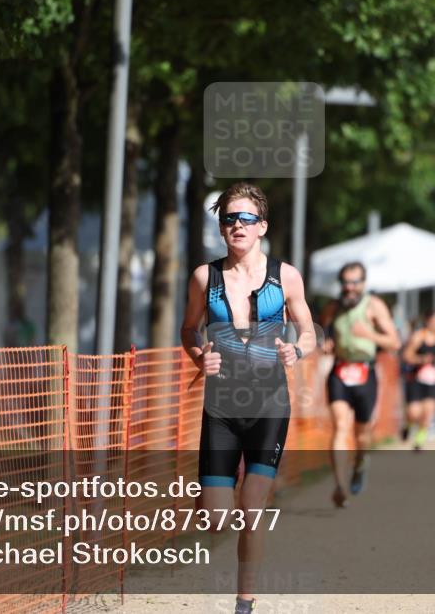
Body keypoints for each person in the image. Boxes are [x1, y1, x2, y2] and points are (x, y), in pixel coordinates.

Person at [181, 182, 316, 614]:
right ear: (221, 229)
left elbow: (310, 332)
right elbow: (188, 329)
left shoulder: (286, 276)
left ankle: (244, 601)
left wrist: (296, 349)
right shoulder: (206, 277)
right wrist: (199, 355)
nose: (236, 226)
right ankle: (209, 492)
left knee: (252, 504)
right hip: (221, 407)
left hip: (269, 404)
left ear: (262, 226)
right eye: (228, 219)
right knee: (216, 518)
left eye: (245, 219)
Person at [319, 262, 400, 508]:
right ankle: (340, 485)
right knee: (341, 426)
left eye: (354, 282)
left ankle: (361, 462)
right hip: (340, 371)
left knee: (362, 434)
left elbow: (394, 342)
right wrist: (327, 342)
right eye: (345, 282)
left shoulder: (374, 306)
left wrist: (369, 335)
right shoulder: (333, 307)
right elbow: (324, 332)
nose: (349, 288)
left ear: (363, 284)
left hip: (366, 372)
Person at [401, 310, 435, 451]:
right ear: (429, 321)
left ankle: (419, 442)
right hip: (416, 379)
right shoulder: (418, 336)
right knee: (414, 412)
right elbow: (406, 355)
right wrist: (421, 360)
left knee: (428, 411)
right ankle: (408, 425)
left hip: (434, 380)